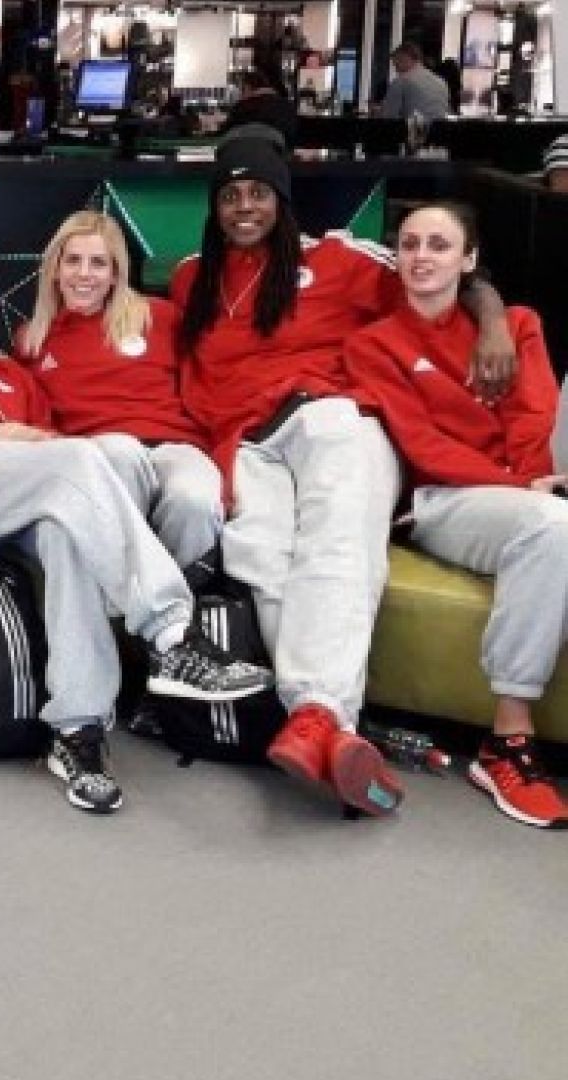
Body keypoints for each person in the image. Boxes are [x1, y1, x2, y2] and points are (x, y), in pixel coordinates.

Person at [172, 127, 515, 816]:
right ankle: (329, 730)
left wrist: (495, 320)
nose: (244, 207)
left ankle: (319, 713)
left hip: (332, 415)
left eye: (259, 193)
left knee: (337, 540)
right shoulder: (191, 278)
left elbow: (438, 278)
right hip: (249, 441)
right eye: (231, 196)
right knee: (261, 554)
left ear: (282, 199)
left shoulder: (337, 257)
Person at [0, 264, 271, 814]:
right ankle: (172, 634)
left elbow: (51, 439)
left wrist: (34, 443)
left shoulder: (6, 373)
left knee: (68, 535)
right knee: (81, 457)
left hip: (32, 491)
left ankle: (78, 730)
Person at [342, 201, 567, 829]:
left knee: (550, 523)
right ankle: (508, 739)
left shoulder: (517, 325)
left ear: (469, 261)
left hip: (523, 487)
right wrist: (526, 491)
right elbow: (422, 446)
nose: (421, 257)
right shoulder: (372, 344)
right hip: (441, 500)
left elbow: (534, 414)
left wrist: (535, 482)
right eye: (409, 244)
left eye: (439, 246)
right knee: (551, 529)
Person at [17, 210, 221, 572]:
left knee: (194, 500)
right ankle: (131, 595)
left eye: (98, 263)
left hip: (173, 445)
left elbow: (213, 376)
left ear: (115, 273)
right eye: (73, 261)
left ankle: (174, 595)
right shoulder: (31, 339)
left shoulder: (159, 316)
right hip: (99, 456)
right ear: (55, 269)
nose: (84, 273)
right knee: (119, 451)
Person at [379, 42, 452, 122]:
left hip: (414, 128)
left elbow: (388, 116)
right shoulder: (441, 82)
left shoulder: (401, 81)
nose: (396, 69)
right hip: (440, 129)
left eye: (396, 64)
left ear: (405, 58)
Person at [225, 70, 298, 145]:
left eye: (242, 90)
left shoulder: (242, 106)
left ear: (248, 87)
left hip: (244, 148)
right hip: (280, 149)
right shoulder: (287, 106)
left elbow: (227, 130)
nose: (241, 95)